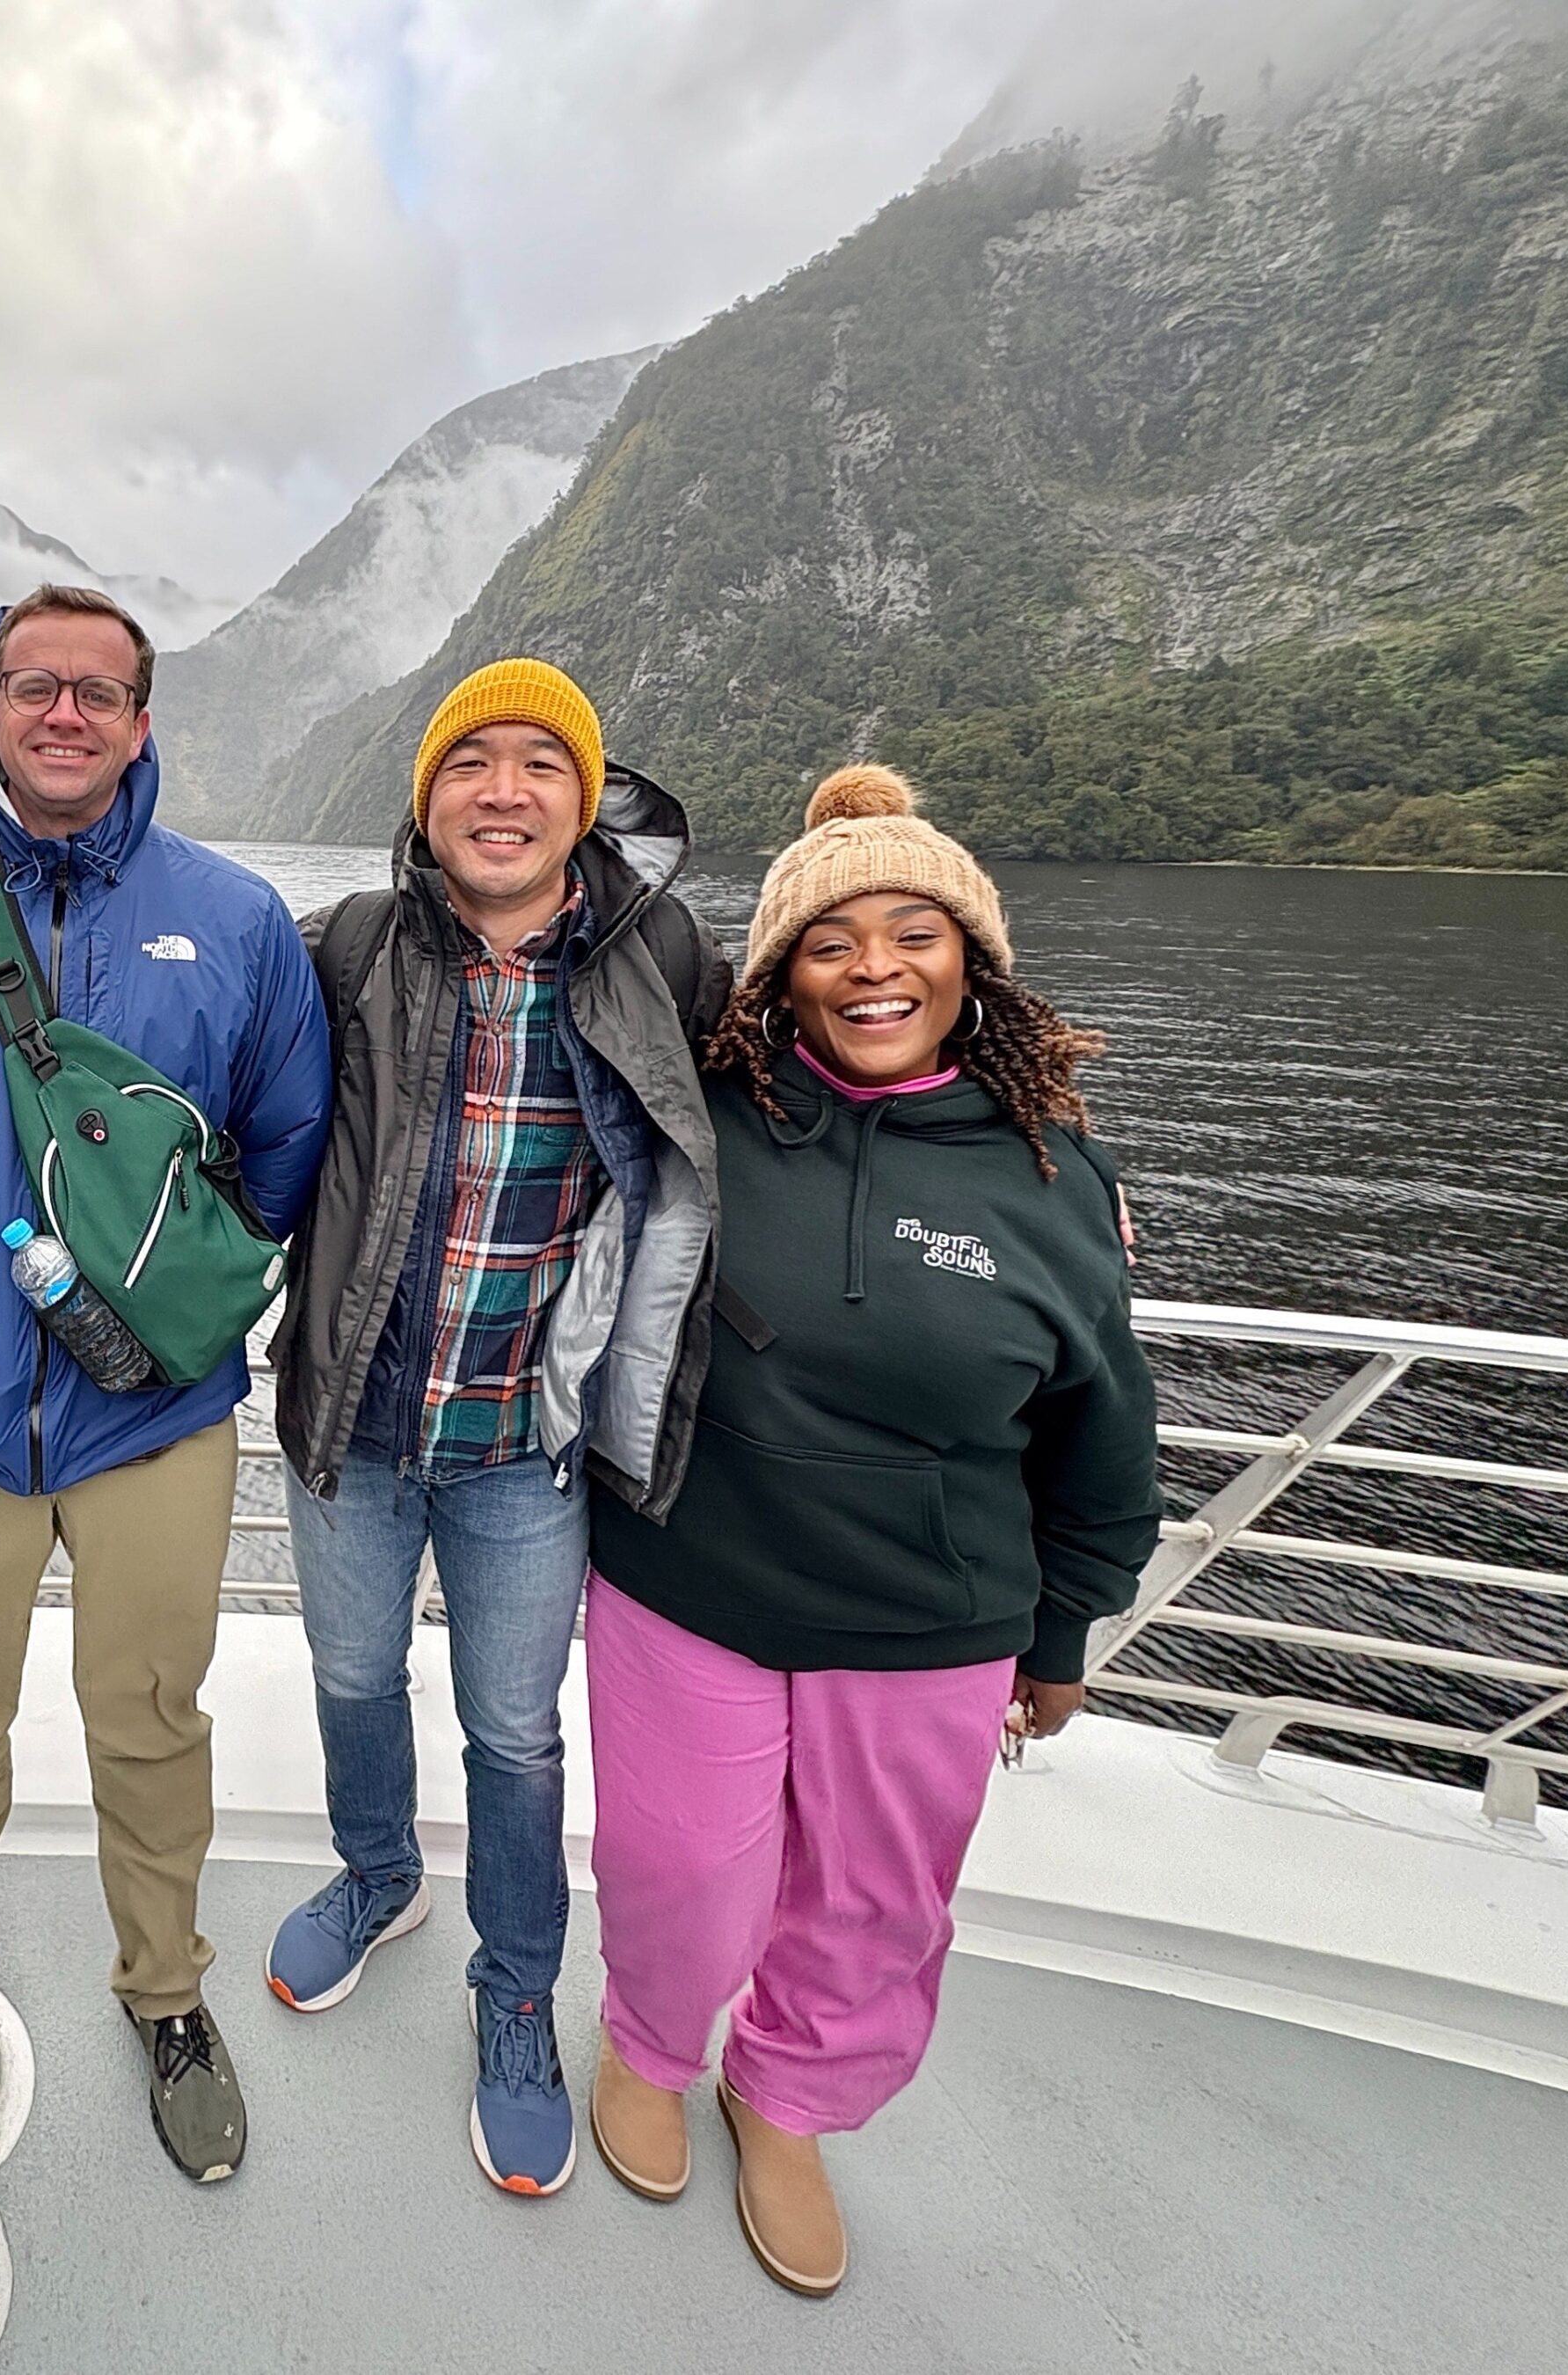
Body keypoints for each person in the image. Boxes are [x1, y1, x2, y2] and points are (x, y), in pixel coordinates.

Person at [582, 764, 1161, 2297]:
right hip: (686, 1575)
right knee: (677, 1864)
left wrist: (1068, 1629)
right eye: (833, 941)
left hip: (932, 1615)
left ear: (974, 962)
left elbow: (1106, 1421)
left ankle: (784, 2101)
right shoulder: (705, 1117)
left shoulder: (1054, 1173)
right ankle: (649, 2042)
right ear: (780, 976)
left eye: (917, 932)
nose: (877, 967)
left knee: (875, 1903)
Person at [0, 585, 332, 2182]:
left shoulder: (233, 921)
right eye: (37, 685)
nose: (66, 714)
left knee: (151, 1720)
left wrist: (161, 1294)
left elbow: (286, 1145)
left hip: (157, 1417)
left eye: (103, 691)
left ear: (143, 722)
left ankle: (163, 1991)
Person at [265, 660, 727, 2196]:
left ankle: (516, 1989)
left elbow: (795, 1113)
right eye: (473, 762)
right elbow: (232, 1121)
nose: (504, 791)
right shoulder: (348, 950)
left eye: (541, 762)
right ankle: (380, 1873)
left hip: (528, 1444)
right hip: (357, 1422)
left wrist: (1042, 1149)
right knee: (347, 1671)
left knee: (517, 1735)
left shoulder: (661, 958)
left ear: (586, 799)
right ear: (427, 798)